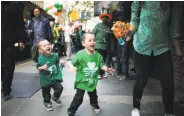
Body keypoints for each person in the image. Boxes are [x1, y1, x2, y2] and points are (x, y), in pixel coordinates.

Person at [127, 2, 184, 116]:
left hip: (162, 48)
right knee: (141, 81)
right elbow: (134, 21)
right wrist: (128, 33)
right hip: (142, 46)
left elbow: (174, 29)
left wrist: (178, 50)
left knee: (168, 82)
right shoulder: (138, 2)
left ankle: (169, 112)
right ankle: (136, 108)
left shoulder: (171, 4)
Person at [67, 33, 115, 116]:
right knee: (79, 98)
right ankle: (71, 110)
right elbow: (70, 62)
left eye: (94, 40)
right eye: (90, 40)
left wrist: (107, 69)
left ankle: (94, 104)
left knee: (93, 95)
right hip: (81, 81)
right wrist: (71, 66)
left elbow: (101, 65)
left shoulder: (98, 56)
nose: (93, 42)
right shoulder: (80, 54)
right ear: (83, 43)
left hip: (92, 81)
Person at [1, 1, 26, 101]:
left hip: (10, 41)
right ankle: (5, 89)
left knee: (8, 67)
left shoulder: (16, 5)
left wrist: (21, 39)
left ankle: (5, 90)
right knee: (6, 67)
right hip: (7, 40)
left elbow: (20, 23)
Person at [36, 40, 64, 111]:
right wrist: (42, 67)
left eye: (48, 44)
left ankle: (55, 97)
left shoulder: (55, 55)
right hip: (45, 79)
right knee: (46, 93)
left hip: (54, 77)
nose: (47, 46)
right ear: (40, 50)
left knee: (59, 88)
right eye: (44, 46)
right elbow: (38, 67)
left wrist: (61, 62)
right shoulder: (41, 58)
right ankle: (47, 102)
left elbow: (57, 60)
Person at [93, 6, 112, 79]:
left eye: (106, 17)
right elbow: (93, 35)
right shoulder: (98, 25)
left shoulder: (109, 27)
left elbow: (110, 38)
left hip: (106, 46)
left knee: (103, 60)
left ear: (108, 18)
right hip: (98, 45)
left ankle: (102, 73)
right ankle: (99, 73)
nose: (104, 18)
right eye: (103, 17)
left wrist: (111, 47)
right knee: (99, 60)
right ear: (101, 18)